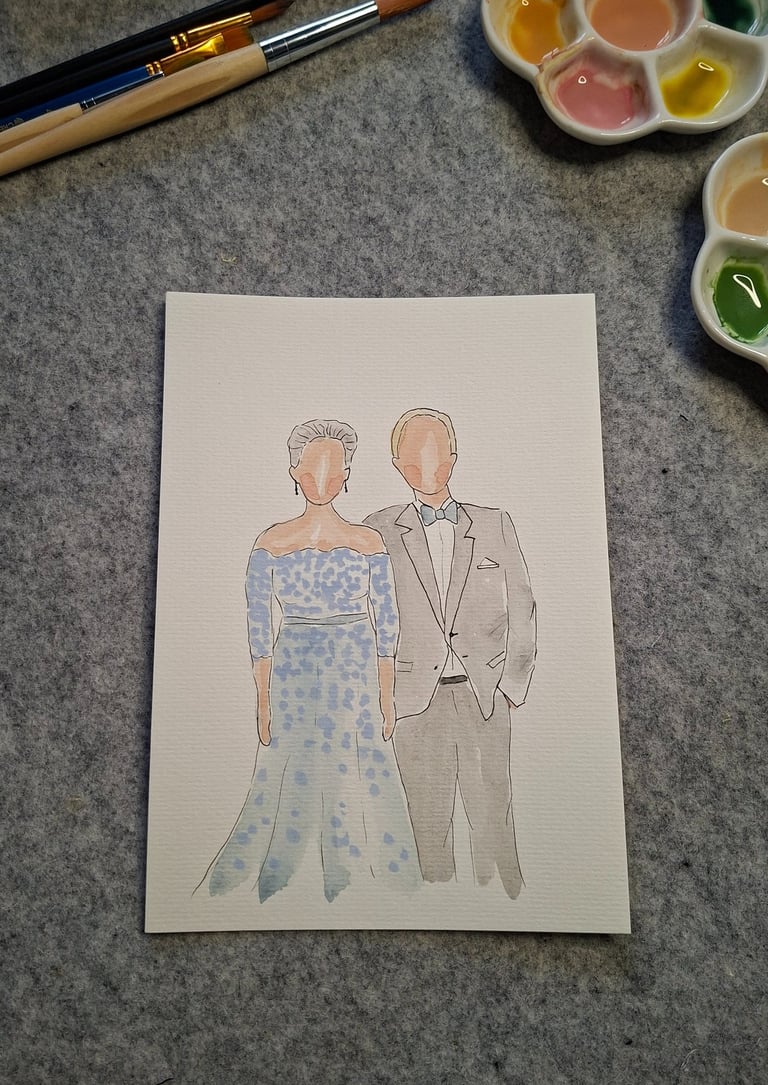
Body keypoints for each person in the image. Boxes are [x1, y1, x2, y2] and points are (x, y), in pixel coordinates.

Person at [199, 419, 418, 903]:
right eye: (312, 468)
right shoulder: (271, 542)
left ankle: (362, 879)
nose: (323, 478)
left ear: (347, 476)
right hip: (294, 667)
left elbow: (388, 623)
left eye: (334, 468)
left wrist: (387, 694)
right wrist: (262, 699)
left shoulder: (369, 542)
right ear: (294, 472)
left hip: (356, 666)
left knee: (360, 767)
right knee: (289, 766)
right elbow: (259, 629)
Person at [365, 408, 536, 899]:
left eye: (437, 454)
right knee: (427, 822)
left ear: (454, 457)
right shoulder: (377, 529)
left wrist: (511, 686)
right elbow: (367, 613)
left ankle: (506, 904)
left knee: (494, 821)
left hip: (484, 695)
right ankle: (436, 910)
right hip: (415, 701)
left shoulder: (494, 523)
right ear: (397, 464)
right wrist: (383, 694)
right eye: (414, 457)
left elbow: (523, 604)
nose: (426, 466)